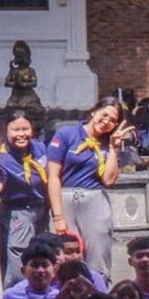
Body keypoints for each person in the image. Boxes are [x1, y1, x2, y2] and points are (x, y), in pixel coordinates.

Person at [47, 97, 130, 276]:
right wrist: (58, 216)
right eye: (104, 115)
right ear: (94, 112)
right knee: (66, 256)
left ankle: (99, 289)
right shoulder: (67, 134)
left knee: (98, 257)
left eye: (113, 120)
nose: (106, 122)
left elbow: (109, 181)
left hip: (94, 199)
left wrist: (114, 148)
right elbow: (53, 177)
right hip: (66, 199)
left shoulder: (110, 142)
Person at [0, 110, 51, 288]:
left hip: (41, 211)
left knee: (41, 258)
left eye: (25, 129)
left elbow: (49, 179)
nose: (21, 134)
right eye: (16, 130)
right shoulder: (2, 156)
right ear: (5, 130)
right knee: (18, 265)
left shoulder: (40, 148)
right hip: (16, 212)